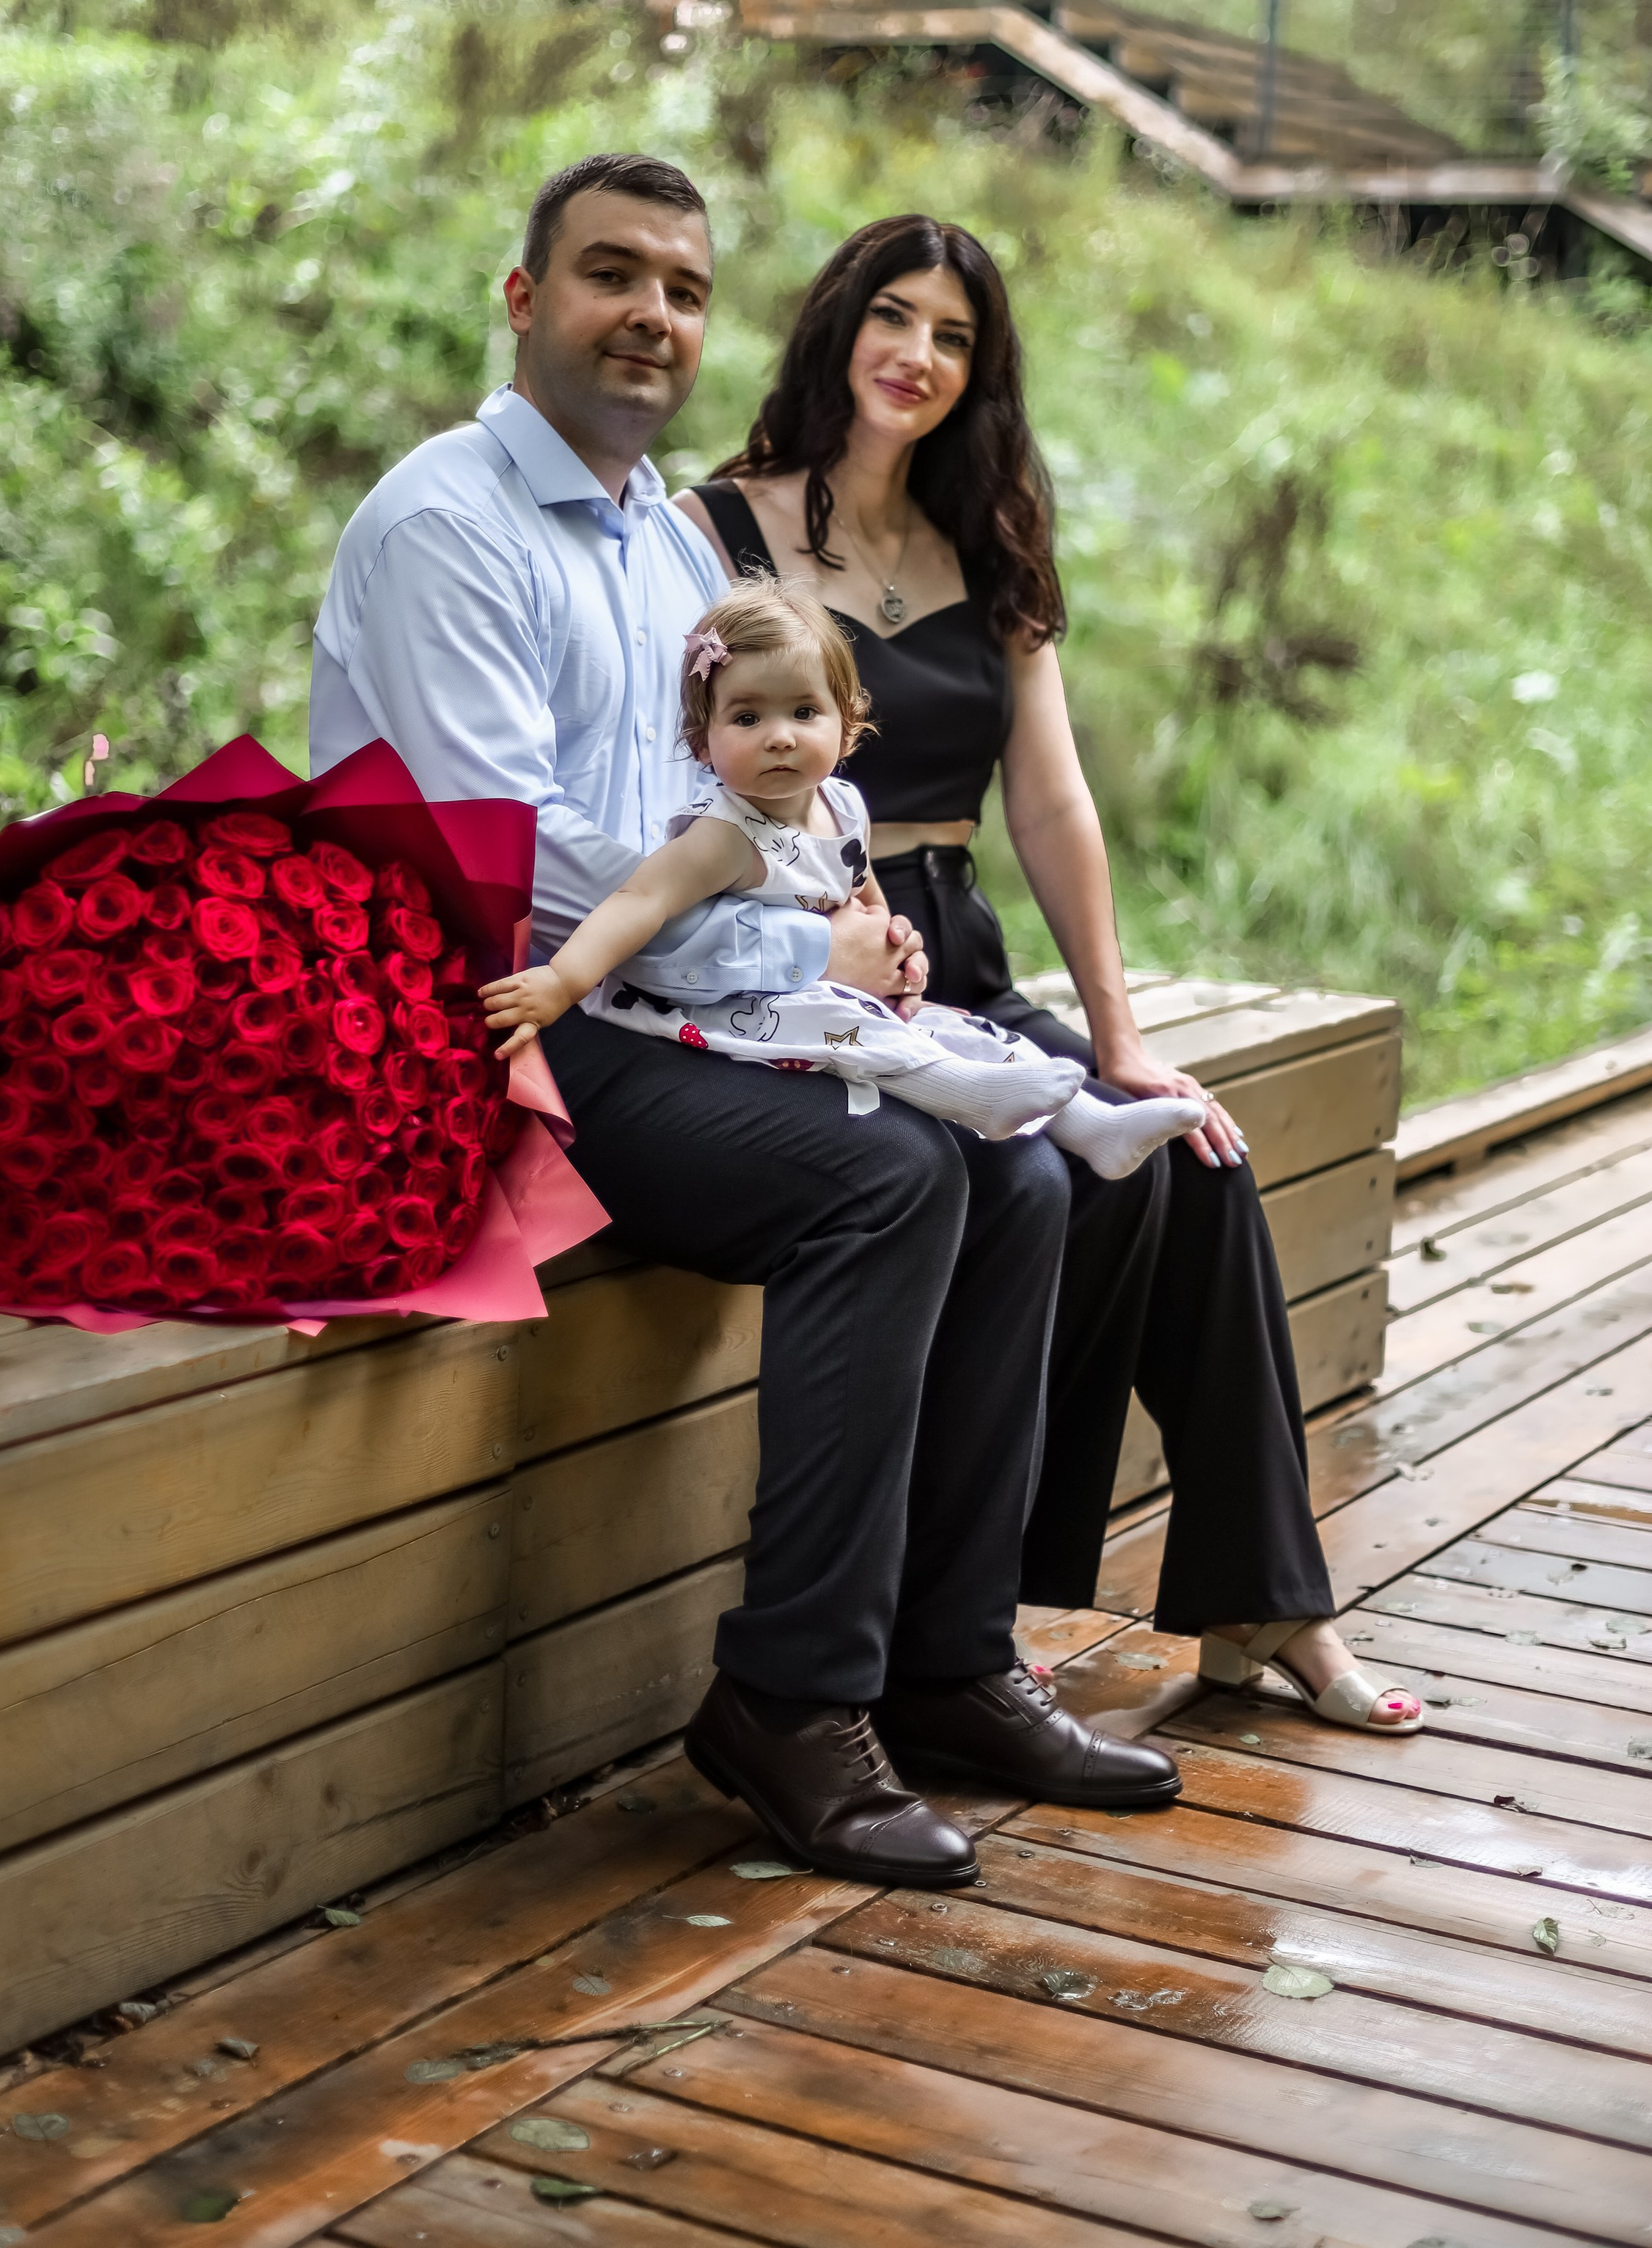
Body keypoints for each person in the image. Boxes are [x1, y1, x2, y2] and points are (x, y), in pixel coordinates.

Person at [311, 153, 1183, 1893]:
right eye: (607, 274)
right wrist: (780, 930)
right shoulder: (444, 523)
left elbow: (725, 801)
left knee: (1011, 1172)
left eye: (682, 289)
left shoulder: (660, 536)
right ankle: (789, 1698)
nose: (649, 314)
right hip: (493, 1017)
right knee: (886, 1179)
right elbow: (513, 857)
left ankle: (943, 1662)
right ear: (521, 298)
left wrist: (823, 927)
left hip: (665, 986)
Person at [679, 214, 1422, 1735]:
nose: (917, 357)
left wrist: (1118, 1036)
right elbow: (673, 778)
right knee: (1077, 1183)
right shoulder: (714, 532)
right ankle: (976, 1621)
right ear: (835, 327)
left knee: (1190, 1155)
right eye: (893, 319)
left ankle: (1261, 1607)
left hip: (959, 944)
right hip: (814, 945)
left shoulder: (989, 544)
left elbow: (1052, 802)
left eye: (953, 338)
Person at [481, 574, 1207, 1176]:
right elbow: (636, 902)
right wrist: (561, 981)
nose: (780, 735)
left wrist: (898, 949)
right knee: (866, 1034)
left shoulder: (844, 806)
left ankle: (1091, 1128)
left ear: (846, 724)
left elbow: (863, 895)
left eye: (803, 710)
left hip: (839, 993)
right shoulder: (725, 837)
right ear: (703, 741)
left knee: (966, 1027)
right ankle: (977, 1098)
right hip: (743, 1012)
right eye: (747, 716)